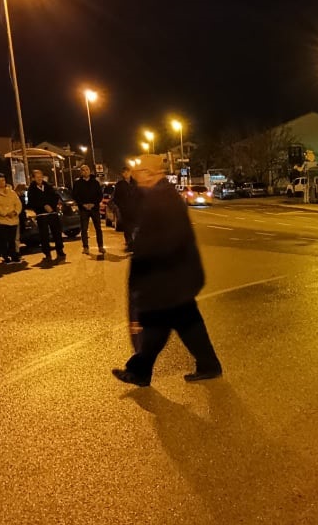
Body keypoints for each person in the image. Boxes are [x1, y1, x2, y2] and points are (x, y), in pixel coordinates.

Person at [112, 154, 223, 386]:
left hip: (167, 278)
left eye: (140, 171)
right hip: (174, 278)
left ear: (153, 173)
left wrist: (144, 271)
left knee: (157, 326)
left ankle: (140, 371)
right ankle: (208, 365)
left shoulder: (163, 200)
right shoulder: (158, 195)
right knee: (184, 323)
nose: (135, 175)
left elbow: (165, 242)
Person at [26, 169, 65, 262]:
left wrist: (51, 206)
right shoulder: (31, 189)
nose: (39, 178)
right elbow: (32, 202)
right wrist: (44, 206)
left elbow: (55, 197)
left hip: (52, 213)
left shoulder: (48, 186)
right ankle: (47, 253)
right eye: (37, 177)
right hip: (41, 214)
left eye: (41, 176)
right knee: (44, 235)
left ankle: (60, 250)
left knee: (57, 233)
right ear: (33, 178)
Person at [0, 173, 22, 264]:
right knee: (3, 239)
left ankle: (14, 255)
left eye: (3, 180)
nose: (2, 182)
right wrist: (6, 213)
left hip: (13, 219)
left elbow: (18, 203)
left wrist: (15, 212)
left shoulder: (12, 192)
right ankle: (5, 256)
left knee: (12, 239)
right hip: (1, 220)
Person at [71, 164, 104, 255]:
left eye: (87, 169)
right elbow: (75, 196)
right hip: (83, 209)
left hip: (94, 208)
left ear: (90, 171)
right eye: (83, 170)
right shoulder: (77, 183)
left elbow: (100, 195)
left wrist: (93, 203)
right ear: (81, 172)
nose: (85, 171)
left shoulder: (95, 182)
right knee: (84, 229)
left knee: (98, 228)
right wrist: (83, 204)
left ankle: (100, 246)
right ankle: (85, 247)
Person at [112, 166, 141, 252]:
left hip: (136, 209)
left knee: (136, 227)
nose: (126, 174)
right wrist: (121, 206)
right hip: (125, 210)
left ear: (130, 172)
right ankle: (129, 244)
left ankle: (136, 244)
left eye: (127, 172)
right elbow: (116, 198)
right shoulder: (119, 185)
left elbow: (141, 195)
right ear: (122, 174)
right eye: (124, 172)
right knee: (127, 228)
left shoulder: (136, 183)